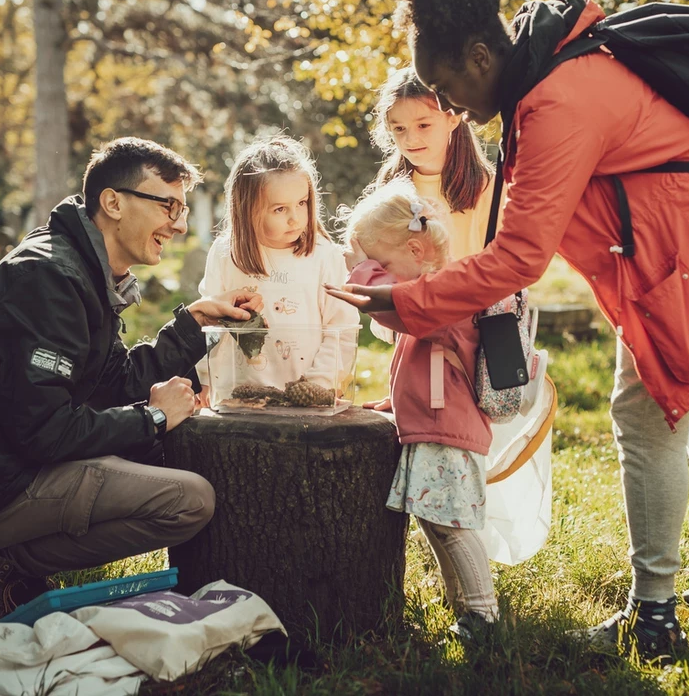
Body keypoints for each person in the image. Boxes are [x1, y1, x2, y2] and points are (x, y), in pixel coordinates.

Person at [328, 0, 689, 659]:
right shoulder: (546, 72)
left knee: (644, 416)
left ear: (480, 52)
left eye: (445, 84)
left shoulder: (558, 99)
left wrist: (408, 300)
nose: (448, 104)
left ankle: (654, 618)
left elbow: (520, 256)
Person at [0, 138, 262, 620]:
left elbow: (111, 380)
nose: (177, 224)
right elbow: (41, 431)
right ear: (113, 202)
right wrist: (154, 417)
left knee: (162, 451)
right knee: (189, 501)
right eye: (168, 205)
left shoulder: (85, 269)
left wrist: (193, 323)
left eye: (183, 208)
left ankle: (1, 564)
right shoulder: (51, 277)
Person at [344, 180, 498, 642]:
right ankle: (467, 611)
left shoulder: (441, 293)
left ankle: (483, 613)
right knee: (437, 522)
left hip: (445, 432)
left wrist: (362, 273)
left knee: (450, 525)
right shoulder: (433, 295)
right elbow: (430, 366)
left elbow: (394, 312)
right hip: (433, 425)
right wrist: (398, 401)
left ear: (416, 249)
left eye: (383, 264)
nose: (378, 274)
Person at [197, 136, 358, 406]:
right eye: (280, 209)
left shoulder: (325, 256)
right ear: (247, 210)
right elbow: (209, 323)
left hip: (306, 401)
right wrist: (203, 378)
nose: (295, 217)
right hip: (238, 401)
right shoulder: (226, 254)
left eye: (302, 203)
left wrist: (318, 385)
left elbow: (341, 329)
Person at [371, 66, 496, 260]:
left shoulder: (488, 188)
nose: (410, 139)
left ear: (453, 119)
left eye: (423, 125)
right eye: (399, 128)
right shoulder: (389, 184)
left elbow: (505, 264)